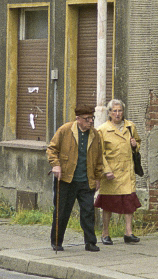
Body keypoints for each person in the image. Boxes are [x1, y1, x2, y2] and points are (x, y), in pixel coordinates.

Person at [46, 104, 106, 252]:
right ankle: (57, 242)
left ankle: (90, 242)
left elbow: (99, 159)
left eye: (91, 118)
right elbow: (52, 149)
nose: (90, 122)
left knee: (88, 212)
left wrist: (97, 178)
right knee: (62, 211)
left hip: (86, 179)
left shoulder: (95, 135)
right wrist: (56, 165)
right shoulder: (65, 130)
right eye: (86, 119)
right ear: (78, 119)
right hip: (66, 179)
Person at [95, 98, 142, 244]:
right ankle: (105, 233)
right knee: (108, 203)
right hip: (112, 173)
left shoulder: (130, 126)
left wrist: (135, 146)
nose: (117, 114)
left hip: (127, 170)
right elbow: (99, 153)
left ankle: (128, 232)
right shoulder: (102, 130)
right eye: (114, 111)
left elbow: (138, 142)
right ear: (109, 113)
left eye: (120, 110)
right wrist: (106, 170)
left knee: (129, 201)